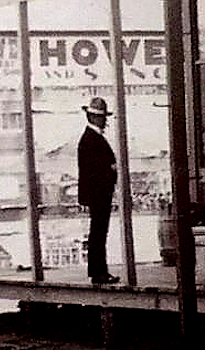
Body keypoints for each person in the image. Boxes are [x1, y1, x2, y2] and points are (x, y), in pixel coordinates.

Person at [77, 97, 119, 285]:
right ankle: (98, 271)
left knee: (99, 232)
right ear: (94, 118)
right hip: (99, 193)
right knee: (99, 233)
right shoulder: (91, 139)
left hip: (99, 192)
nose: (105, 121)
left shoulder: (91, 138)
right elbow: (91, 170)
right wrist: (109, 173)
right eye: (102, 117)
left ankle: (99, 270)